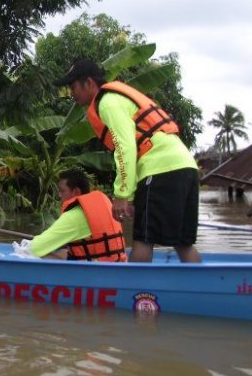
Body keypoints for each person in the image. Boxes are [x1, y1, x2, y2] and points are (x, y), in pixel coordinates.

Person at [54, 58, 201, 263]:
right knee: (183, 244)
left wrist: (122, 194)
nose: (71, 93)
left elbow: (125, 147)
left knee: (142, 241)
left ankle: (129, 292)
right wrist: (132, 196)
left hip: (160, 168)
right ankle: (199, 290)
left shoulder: (107, 102)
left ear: (88, 82)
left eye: (73, 86)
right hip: (185, 165)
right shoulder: (116, 99)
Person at [27, 169, 127, 261]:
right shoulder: (105, 205)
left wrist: (30, 245)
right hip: (115, 265)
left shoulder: (74, 216)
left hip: (94, 273)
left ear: (76, 192)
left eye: (62, 191)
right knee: (63, 251)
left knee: (31, 254)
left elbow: (33, 249)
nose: (59, 195)